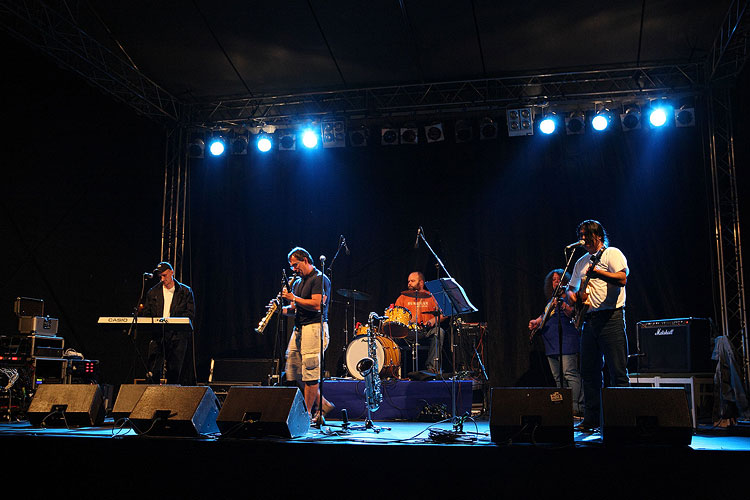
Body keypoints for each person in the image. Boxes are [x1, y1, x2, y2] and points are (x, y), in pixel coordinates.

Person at [566, 220, 629, 432]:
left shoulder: (612, 253)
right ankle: (592, 419)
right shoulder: (580, 262)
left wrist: (599, 273)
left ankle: (621, 420)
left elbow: (622, 278)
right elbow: (571, 289)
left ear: (598, 235)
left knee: (617, 370)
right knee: (589, 372)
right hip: (589, 320)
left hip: (611, 318)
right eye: (580, 235)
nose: (582, 239)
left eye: (586, 235)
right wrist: (573, 296)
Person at [280, 247, 335, 426]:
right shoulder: (298, 281)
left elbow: (317, 304)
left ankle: (306, 414)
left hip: (314, 328)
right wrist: (280, 309)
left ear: (305, 260)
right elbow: (296, 308)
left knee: (310, 373)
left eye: (295, 265)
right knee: (293, 370)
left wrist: (294, 298)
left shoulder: (319, 279)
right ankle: (323, 404)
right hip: (299, 328)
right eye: (291, 266)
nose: (294, 269)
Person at [528, 269, 583, 416]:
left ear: (566, 282)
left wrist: (562, 304)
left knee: (569, 374)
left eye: (559, 279)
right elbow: (545, 315)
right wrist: (536, 322)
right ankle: (564, 407)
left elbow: (574, 313)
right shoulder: (551, 300)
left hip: (566, 340)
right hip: (551, 343)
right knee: (558, 377)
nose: (556, 281)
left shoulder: (569, 297)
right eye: (553, 279)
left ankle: (577, 407)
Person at [141, 261, 195, 385]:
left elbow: (190, 314)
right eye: (160, 276)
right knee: (153, 370)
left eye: (165, 275)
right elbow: (147, 314)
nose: (162, 278)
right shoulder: (153, 292)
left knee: (174, 372)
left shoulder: (185, 292)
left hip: (177, 337)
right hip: (158, 336)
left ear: (172, 273)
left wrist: (174, 323)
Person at [394, 271, 445, 373]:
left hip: (426, 332)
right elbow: (396, 315)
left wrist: (433, 320)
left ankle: (432, 368)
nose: (409, 283)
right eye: (409, 281)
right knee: (392, 334)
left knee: (439, 331)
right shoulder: (403, 298)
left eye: (412, 281)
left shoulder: (431, 296)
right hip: (408, 333)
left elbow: (445, 313)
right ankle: (394, 369)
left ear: (421, 283)